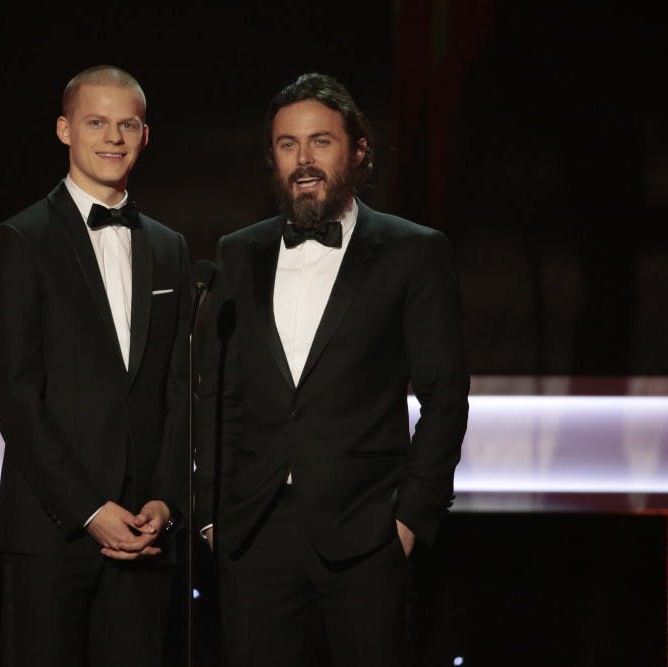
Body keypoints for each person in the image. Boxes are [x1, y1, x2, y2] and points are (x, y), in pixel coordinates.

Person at [194, 73, 469, 666]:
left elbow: (445, 398)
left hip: (367, 531)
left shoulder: (412, 251)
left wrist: (410, 519)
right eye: (288, 144)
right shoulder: (236, 252)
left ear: (359, 149)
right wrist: (211, 515)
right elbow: (218, 391)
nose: (303, 159)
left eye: (321, 141)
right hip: (253, 532)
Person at [0, 65, 190, 667]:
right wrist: (91, 511)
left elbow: (178, 388)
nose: (113, 138)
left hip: (147, 532)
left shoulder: (170, 247)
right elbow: (15, 396)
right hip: (52, 532)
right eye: (97, 122)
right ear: (64, 129)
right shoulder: (20, 241)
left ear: (145, 135)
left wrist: (165, 501)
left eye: (128, 124)